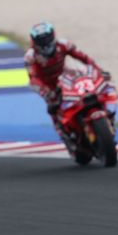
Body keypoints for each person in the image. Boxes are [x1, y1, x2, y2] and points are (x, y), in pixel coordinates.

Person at [24, 22, 107, 151]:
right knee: (53, 107)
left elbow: (83, 57)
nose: (45, 43)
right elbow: (33, 79)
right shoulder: (30, 57)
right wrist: (46, 92)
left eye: (47, 38)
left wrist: (97, 70)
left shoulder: (63, 44)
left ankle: (103, 118)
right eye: (41, 40)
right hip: (47, 86)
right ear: (34, 41)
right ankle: (65, 135)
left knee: (87, 89)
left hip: (65, 78)